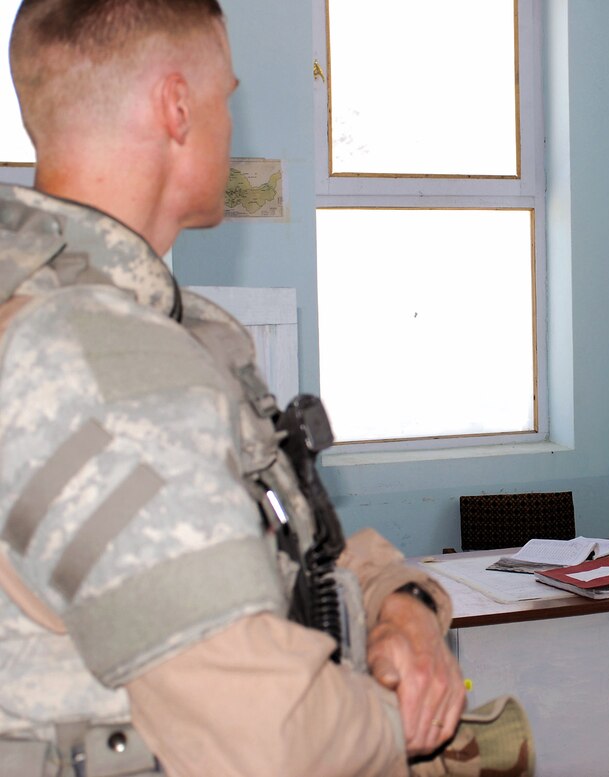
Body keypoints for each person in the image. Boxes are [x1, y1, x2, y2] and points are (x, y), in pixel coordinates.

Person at [0, 1, 531, 776]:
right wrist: (418, 725)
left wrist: (405, 610)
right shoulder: (96, 364)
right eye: (227, 97)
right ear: (177, 106)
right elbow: (265, 735)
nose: (231, 124)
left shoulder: (178, 333)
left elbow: (300, 553)